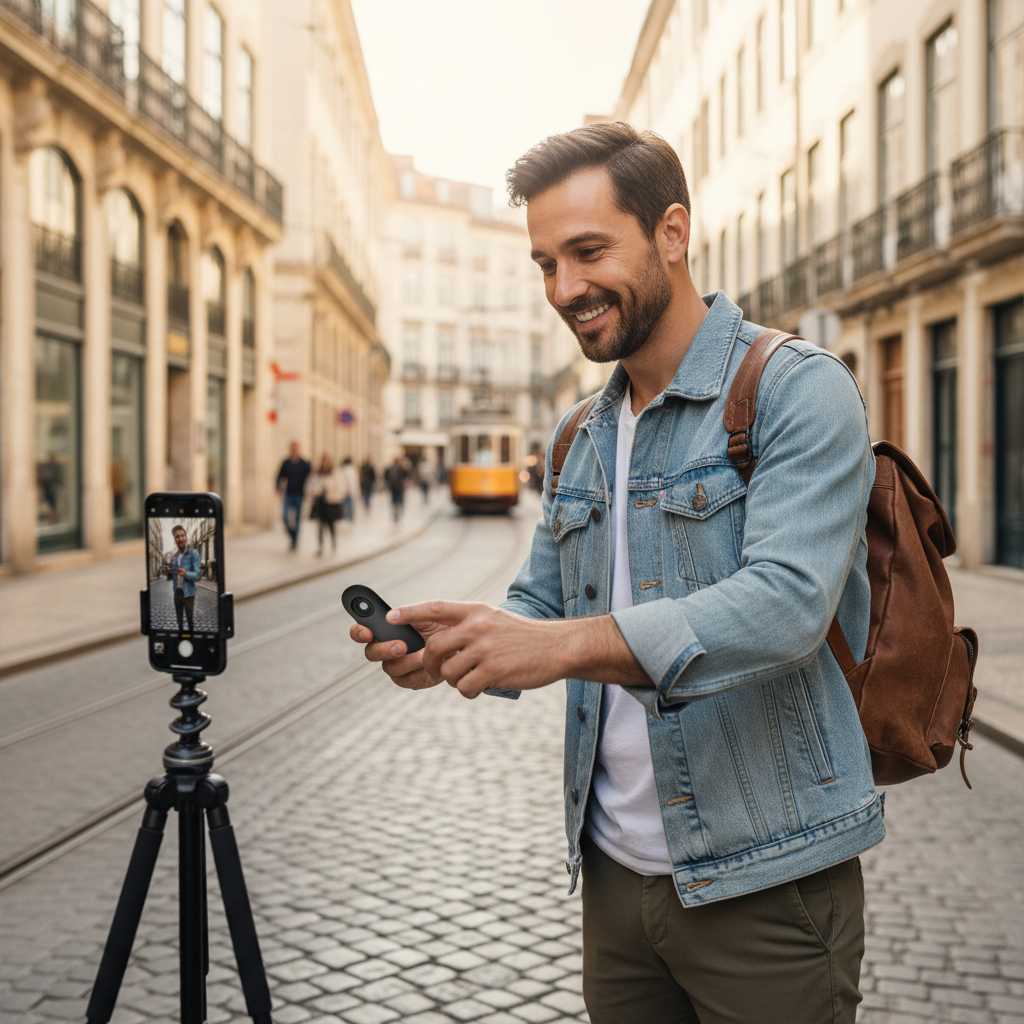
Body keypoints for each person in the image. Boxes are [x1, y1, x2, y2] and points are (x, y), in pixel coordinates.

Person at [351, 122, 882, 1024]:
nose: (565, 288)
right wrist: (460, 641)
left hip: (766, 880)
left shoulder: (798, 388)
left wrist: (557, 645)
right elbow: (543, 603)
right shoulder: (578, 434)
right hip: (611, 877)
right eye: (546, 263)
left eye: (588, 252)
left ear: (672, 234)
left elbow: (787, 605)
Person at [307, 454, 346, 555]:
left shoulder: (335, 473)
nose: (325, 463)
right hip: (320, 504)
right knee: (319, 526)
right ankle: (320, 546)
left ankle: (333, 543)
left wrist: (331, 493)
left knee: (331, 524)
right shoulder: (316, 474)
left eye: (327, 461)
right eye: (323, 461)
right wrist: (317, 491)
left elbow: (341, 487)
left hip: (330, 503)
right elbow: (310, 486)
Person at [276, 441, 311, 551]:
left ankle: (295, 541)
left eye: (296, 448)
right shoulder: (286, 463)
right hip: (289, 494)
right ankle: (292, 536)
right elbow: (279, 476)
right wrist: (279, 489)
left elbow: (310, 478)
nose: (294, 450)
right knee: (285, 516)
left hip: (300, 494)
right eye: (292, 448)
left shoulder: (304, 464)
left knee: (297, 519)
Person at [168, 525, 201, 632]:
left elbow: (198, 575)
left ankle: (191, 637)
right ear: (174, 539)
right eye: (177, 536)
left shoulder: (193, 553)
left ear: (186, 537)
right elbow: (173, 574)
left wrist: (186, 573)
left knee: (190, 619)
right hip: (177, 592)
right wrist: (168, 570)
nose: (180, 538)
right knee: (179, 620)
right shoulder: (174, 557)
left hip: (189, 593)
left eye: (182, 535)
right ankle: (180, 635)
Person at [383, 455, 407, 524]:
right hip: (399, 488)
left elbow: (386, 476)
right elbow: (405, 476)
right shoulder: (401, 468)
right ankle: (397, 514)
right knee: (399, 501)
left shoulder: (390, 467)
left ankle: (395, 514)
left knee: (394, 501)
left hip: (393, 487)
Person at [340, 457, 360, 522]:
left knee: (346, 506)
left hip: (345, 490)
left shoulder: (342, 470)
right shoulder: (351, 470)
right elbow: (354, 481)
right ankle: (350, 518)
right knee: (349, 505)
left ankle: (347, 518)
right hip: (349, 490)